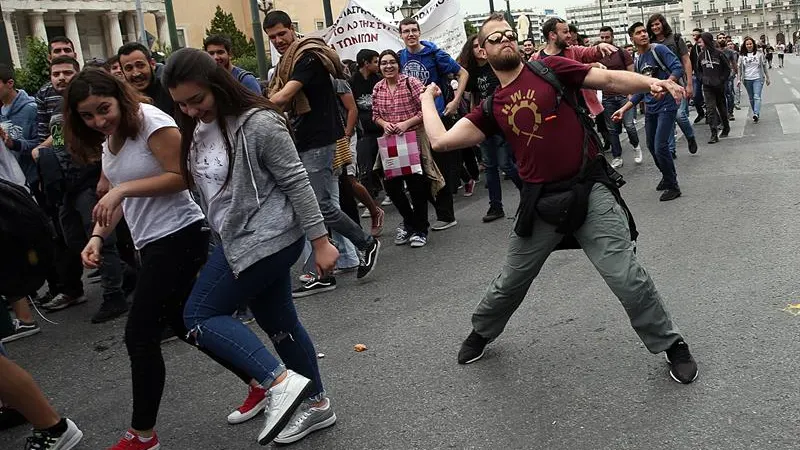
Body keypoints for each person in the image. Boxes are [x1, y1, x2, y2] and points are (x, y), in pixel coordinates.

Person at [424, 13, 697, 385]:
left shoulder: (549, 68)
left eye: (509, 34)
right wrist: (427, 97)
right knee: (510, 282)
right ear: (483, 52)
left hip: (589, 188)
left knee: (627, 276)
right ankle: (482, 331)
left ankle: (671, 344)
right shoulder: (491, 106)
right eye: (495, 38)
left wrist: (652, 81)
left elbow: (610, 78)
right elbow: (440, 140)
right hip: (540, 203)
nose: (505, 39)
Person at [163, 47, 338, 445]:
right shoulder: (196, 127)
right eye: (181, 104)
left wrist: (322, 242)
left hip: (267, 240)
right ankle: (317, 404)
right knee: (280, 324)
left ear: (217, 84)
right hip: (235, 238)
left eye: (197, 100)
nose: (191, 110)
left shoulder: (258, 122)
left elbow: (297, 182)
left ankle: (279, 383)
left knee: (200, 316)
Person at [265, 10, 381, 298]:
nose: (278, 40)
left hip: (318, 141)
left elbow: (283, 97)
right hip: (307, 140)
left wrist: (252, 108)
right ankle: (325, 271)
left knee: (316, 207)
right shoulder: (288, 60)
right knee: (323, 204)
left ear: (291, 28)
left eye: (281, 33)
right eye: (272, 37)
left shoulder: (308, 57)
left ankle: (361, 246)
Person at [397, 17, 468, 231]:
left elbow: (463, 73)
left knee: (440, 166)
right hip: (414, 121)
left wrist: (455, 101)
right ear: (400, 35)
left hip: (436, 117)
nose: (410, 34)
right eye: (406, 31)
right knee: (418, 171)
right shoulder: (400, 57)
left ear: (419, 32)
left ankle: (447, 215)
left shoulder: (434, 53)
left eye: (413, 30)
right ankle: (423, 217)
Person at [372, 49, 444, 248]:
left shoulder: (411, 82)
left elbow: (426, 108)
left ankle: (420, 230)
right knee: (392, 188)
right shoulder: (378, 88)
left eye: (392, 62)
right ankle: (410, 222)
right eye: (383, 63)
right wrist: (384, 123)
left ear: (398, 64)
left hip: (412, 139)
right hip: (390, 143)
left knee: (416, 187)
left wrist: (406, 123)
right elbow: (375, 114)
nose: (388, 66)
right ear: (379, 67)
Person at [613, 22, 683, 201]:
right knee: (651, 146)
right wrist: (624, 108)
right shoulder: (637, 59)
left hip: (666, 104)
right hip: (651, 107)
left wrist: (665, 87)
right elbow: (640, 90)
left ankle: (673, 185)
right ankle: (666, 177)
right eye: (639, 32)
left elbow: (677, 68)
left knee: (660, 146)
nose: (644, 34)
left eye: (645, 31)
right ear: (632, 38)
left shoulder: (658, 50)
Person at [458, 34, 522, 222]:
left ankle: (529, 193)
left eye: (481, 45)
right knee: (490, 165)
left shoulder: (496, 65)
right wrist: (472, 121)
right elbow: (473, 99)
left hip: (502, 120)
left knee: (505, 163)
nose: (479, 49)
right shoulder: (472, 72)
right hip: (484, 122)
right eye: (475, 46)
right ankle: (495, 206)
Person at [0, 64, 42, 342]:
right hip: (12, 189)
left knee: (8, 256)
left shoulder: (29, 108)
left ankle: (25, 316)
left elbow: (42, 142)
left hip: (13, 191)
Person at [647, 14, 699, 156]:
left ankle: (690, 136)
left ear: (663, 24)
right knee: (665, 116)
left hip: (678, 83)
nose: (655, 27)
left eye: (657, 24)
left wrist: (689, 84)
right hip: (660, 86)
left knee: (679, 115)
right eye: (652, 25)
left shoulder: (675, 39)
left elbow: (686, 61)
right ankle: (670, 149)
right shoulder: (649, 43)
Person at [598, 26, 642, 169]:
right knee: (612, 130)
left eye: (607, 37)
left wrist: (631, 93)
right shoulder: (597, 55)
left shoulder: (622, 53)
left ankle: (636, 146)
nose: (604, 40)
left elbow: (632, 74)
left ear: (612, 37)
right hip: (607, 97)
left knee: (629, 126)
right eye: (602, 37)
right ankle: (617, 157)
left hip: (624, 95)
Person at [350, 49, 384, 199]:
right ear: (365, 63)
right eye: (375, 61)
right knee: (366, 165)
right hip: (364, 132)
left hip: (381, 128)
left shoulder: (379, 80)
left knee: (386, 161)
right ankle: (371, 196)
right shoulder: (351, 82)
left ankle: (390, 191)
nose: (378, 65)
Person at [118, 42, 174, 114]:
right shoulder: (122, 99)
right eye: (129, 68)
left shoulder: (170, 90)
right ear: (122, 72)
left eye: (140, 65)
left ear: (152, 64)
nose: (136, 73)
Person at [696, 32, 731, 143]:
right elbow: (698, 71)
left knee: (722, 108)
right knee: (710, 109)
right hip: (707, 87)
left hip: (719, 86)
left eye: (701, 42)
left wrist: (721, 79)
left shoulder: (719, 54)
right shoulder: (700, 56)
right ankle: (713, 134)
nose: (699, 45)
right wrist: (702, 79)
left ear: (707, 42)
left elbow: (727, 69)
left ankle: (726, 126)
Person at [738, 36, 770, 123]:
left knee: (757, 97)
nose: (749, 45)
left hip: (758, 78)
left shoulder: (759, 54)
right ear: (745, 45)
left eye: (750, 44)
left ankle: (756, 113)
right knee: (751, 98)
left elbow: (764, 66)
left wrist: (767, 77)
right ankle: (756, 113)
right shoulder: (742, 56)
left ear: (753, 44)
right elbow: (740, 68)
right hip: (747, 79)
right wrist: (739, 80)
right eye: (747, 44)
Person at [689, 28, 706, 123]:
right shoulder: (694, 48)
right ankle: (701, 113)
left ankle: (710, 115)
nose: (694, 37)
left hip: (707, 74)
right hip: (697, 74)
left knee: (708, 96)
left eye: (696, 35)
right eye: (693, 35)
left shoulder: (707, 46)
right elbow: (690, 62)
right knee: (695, 96)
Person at [723, 41, 740, 119]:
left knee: (729, 93)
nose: (722, 39)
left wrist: (736, 74)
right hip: (720, 77)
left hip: (729, 75)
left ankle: (730, 112)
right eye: (720, 38)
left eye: (723, 38)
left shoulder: (731, 52)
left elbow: (734, 63)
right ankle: (724, 112)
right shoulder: (716, 51)